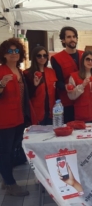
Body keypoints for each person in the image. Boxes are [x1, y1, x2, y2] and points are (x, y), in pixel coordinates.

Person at [0, 38, 35, 196]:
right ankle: (10, 183)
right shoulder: (1, 71)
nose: (14, 54)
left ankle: (6, 179)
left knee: (13, 149)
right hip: (5, 120)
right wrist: (1, 85)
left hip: (19, 118)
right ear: (4, 54)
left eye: (16, 51)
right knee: (5, 152)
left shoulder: (20, 72)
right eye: (10, 51)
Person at [51, 26, 84, 123]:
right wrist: (66, 87)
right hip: (67, 102)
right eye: (69, 37)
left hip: (84, 100)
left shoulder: (84, 55)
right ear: (63, 40)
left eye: (74, 37)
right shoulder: (56, 58)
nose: (72, 39)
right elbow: (57, 82)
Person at [67, 51, 92, 123]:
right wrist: (82, 85)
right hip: (82, 115)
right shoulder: (74, 76)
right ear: (82, 61)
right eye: (87, 59)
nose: (90, 62)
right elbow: (71, 96)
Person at [24, 46, 57, 125]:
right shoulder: (27, 74)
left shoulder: (51, 71)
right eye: (39, 55)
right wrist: (34, 86)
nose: (42, 58)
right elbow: (26, 96)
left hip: (52, 113)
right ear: (34, 57)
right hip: (36, 114)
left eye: (45, 55)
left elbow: (56, 92)